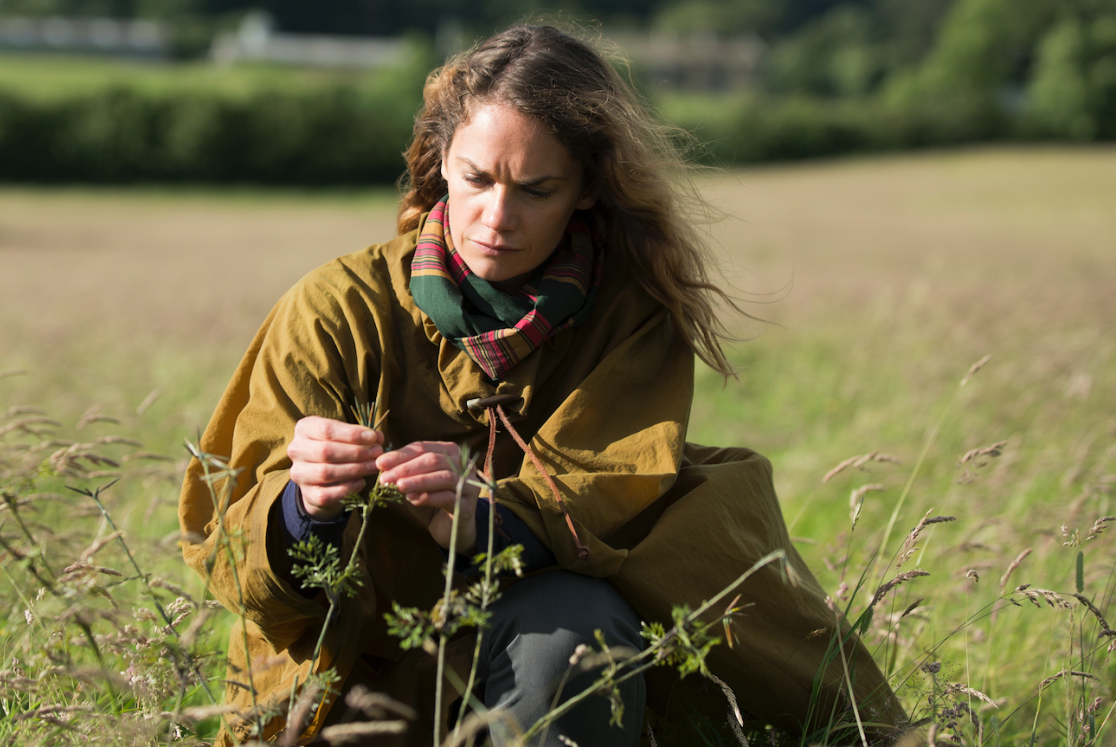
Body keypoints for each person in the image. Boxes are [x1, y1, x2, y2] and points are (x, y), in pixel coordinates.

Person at [179, 24, 906, 746]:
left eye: (537, 189)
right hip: (357, 686)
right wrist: (305, 507)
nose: (498, 218)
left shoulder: (631, 315)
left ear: (588, 187)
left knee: (574, 630)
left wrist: (489, 519)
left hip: (543, 666)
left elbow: (615, 492)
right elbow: (229, 554)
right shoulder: (333, 307)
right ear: (440, 160)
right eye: (477, 180)